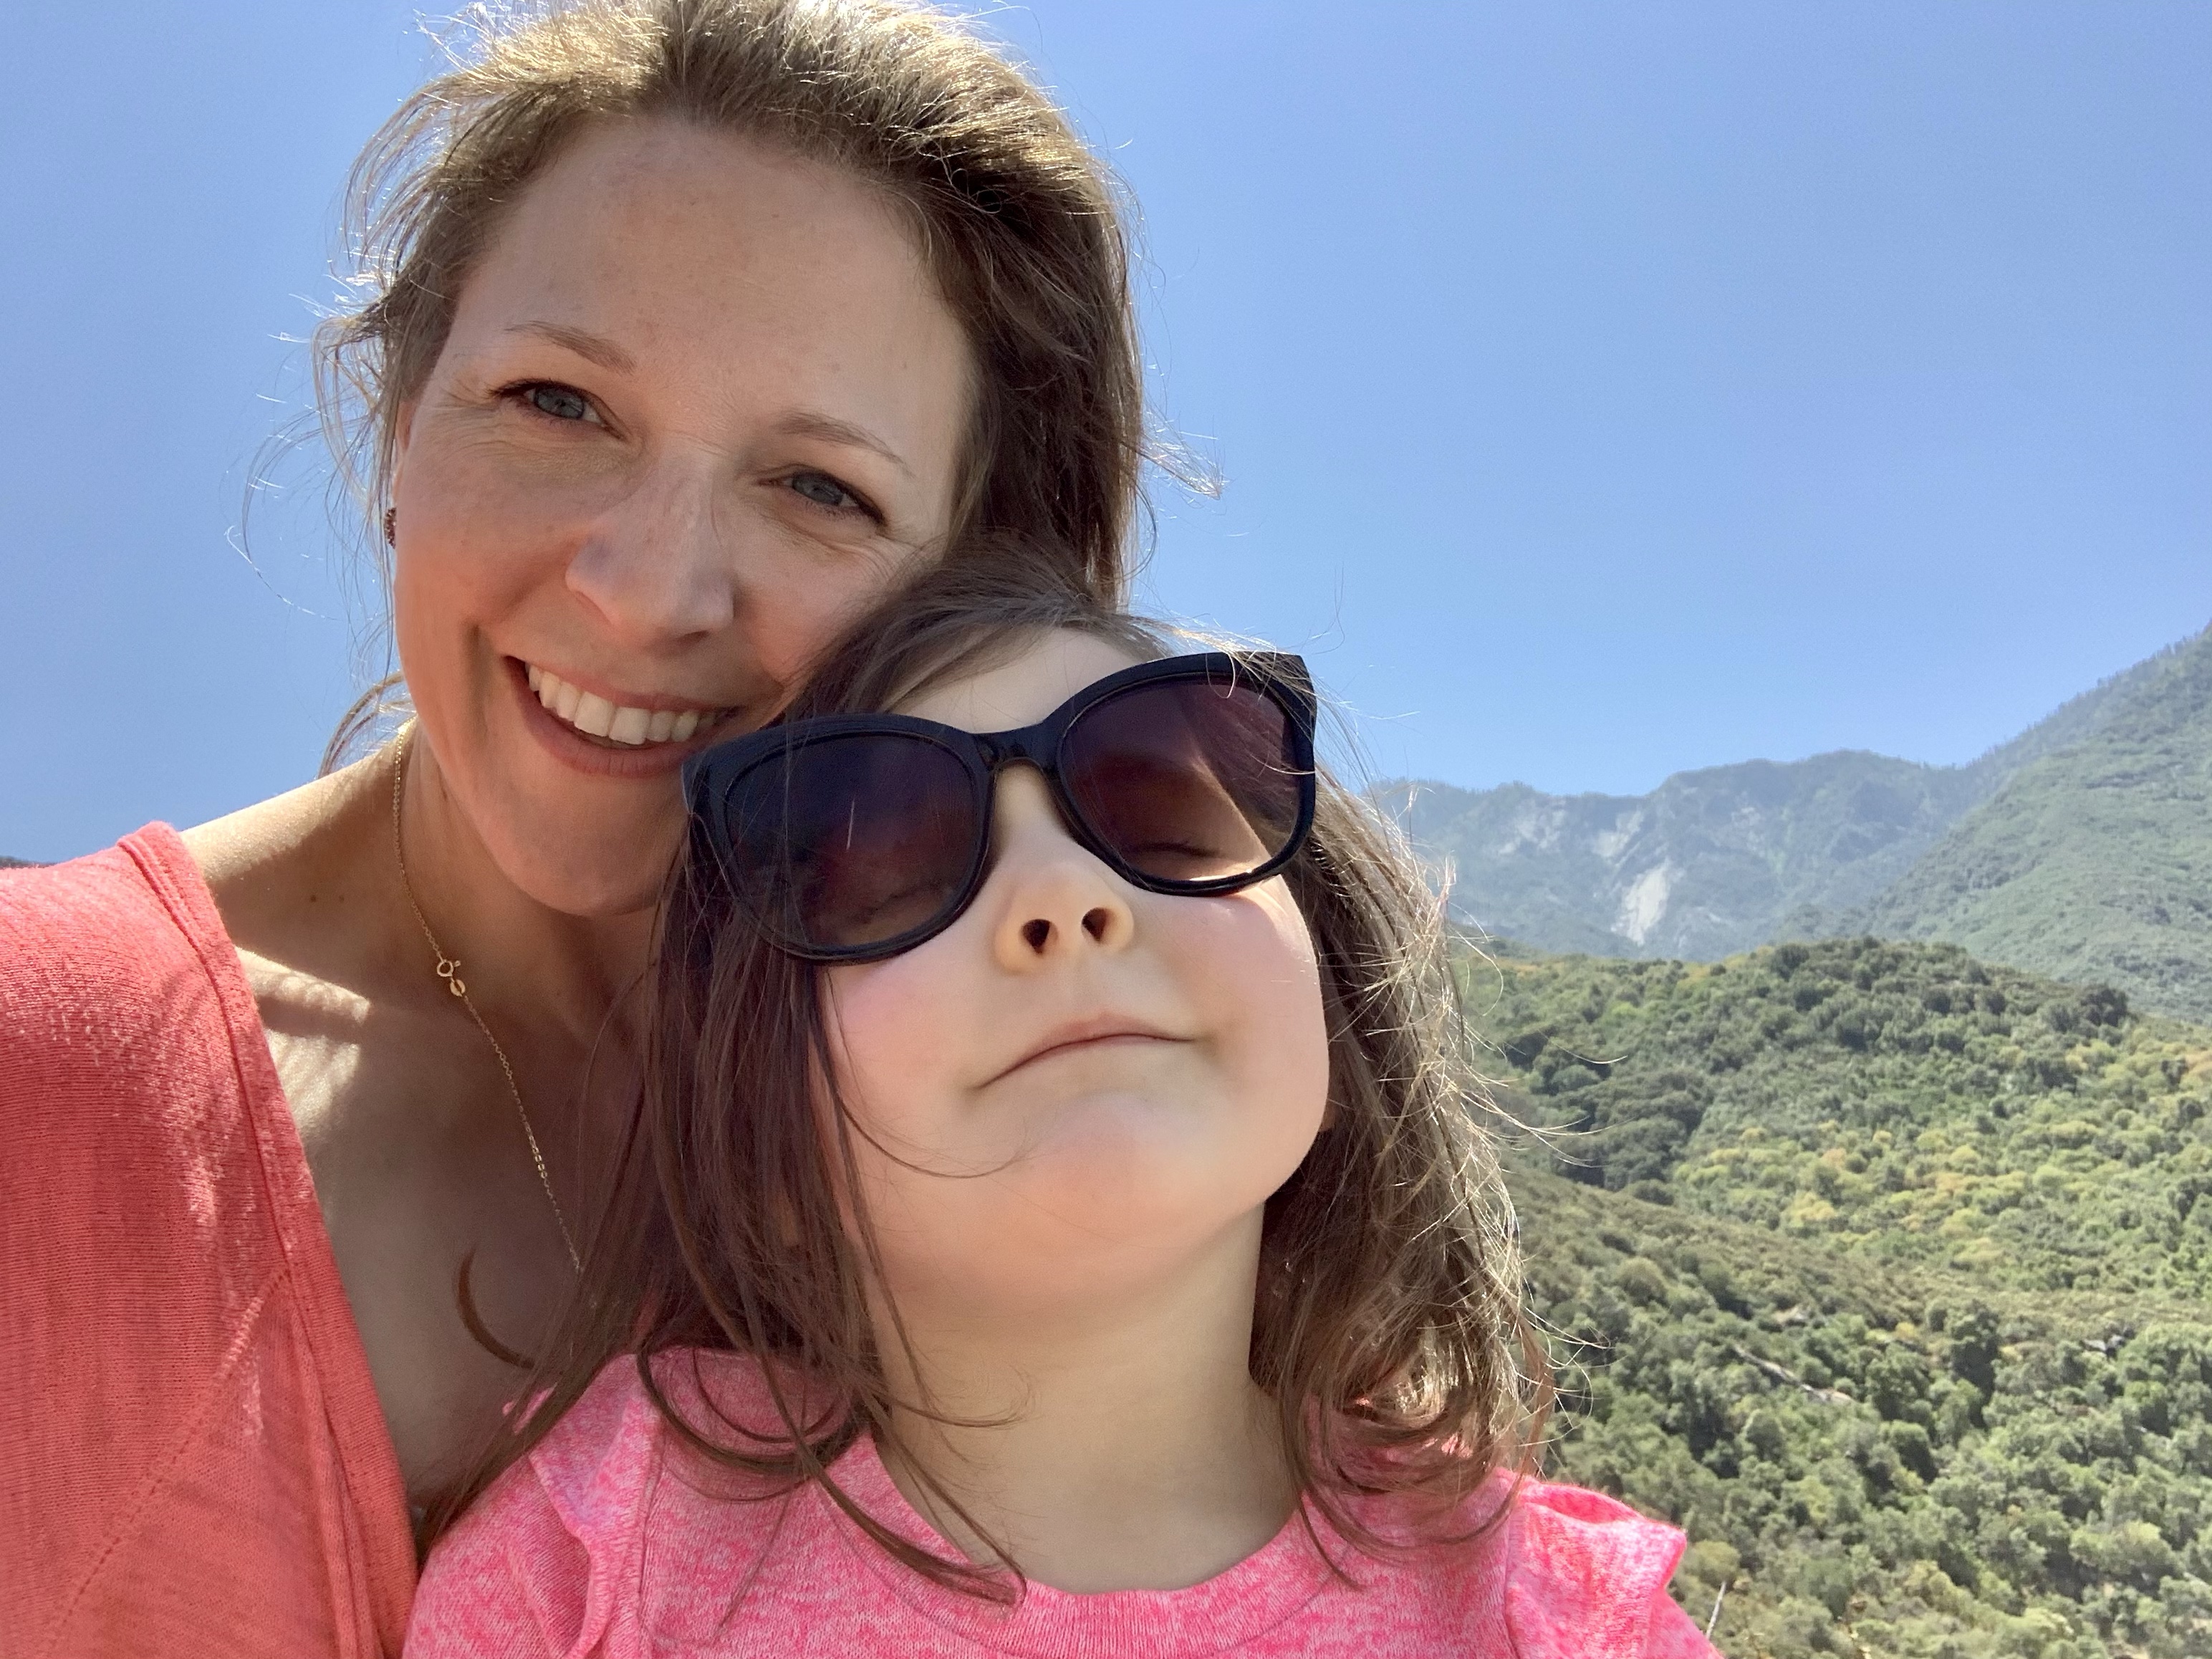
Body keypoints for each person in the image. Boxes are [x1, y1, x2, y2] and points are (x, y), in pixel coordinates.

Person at [0, 4, 1143, 1654]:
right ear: (401, 427)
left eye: (819, 488)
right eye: (556, 401)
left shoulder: (1057, 1106)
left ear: (971, 596)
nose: (646, 591)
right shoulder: (39, 1068)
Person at [402, 559, 1721, 1657]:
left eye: (1161, 819)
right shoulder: (606, 1547)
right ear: (764, 1151)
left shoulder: (1557, 1624)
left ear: (1333, 1020)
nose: (1062, 893)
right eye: (891, 874)